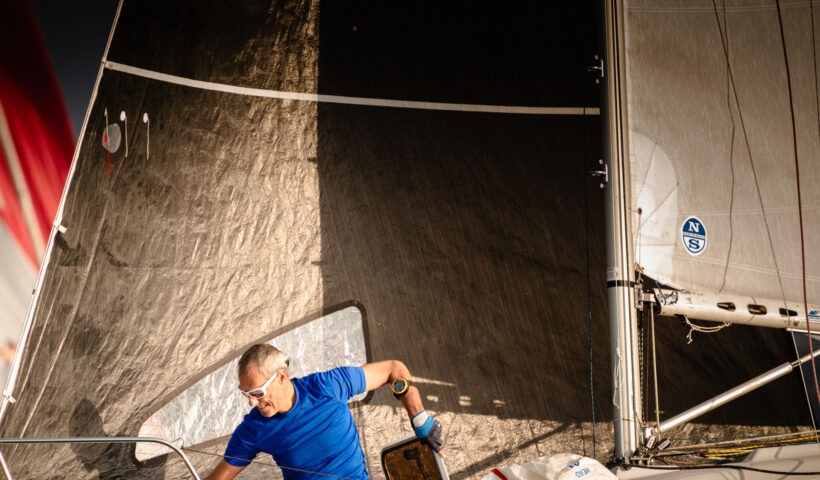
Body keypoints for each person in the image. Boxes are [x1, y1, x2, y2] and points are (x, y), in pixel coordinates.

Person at [205, 344, 443, 480]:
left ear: (280, 377)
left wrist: (420, 419)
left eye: (256, 393)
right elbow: (220, 477)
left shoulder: (327, 386)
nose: (251, 403)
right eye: (246, 394)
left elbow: (394, 369)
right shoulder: (253, 428)